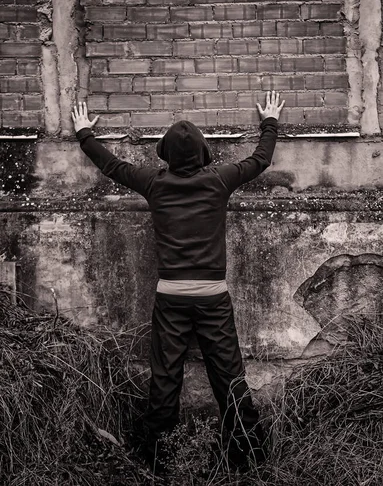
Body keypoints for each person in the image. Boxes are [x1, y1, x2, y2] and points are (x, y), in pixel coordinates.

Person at [72, 90, 284, 470]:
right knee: (229, 378)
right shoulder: (220, 179)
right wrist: (269, 122)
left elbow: (112, 166)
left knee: (165, 379)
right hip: (213, 297)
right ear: (203, 152)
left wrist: (85, 132)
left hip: (171, 296)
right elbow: (260, 160)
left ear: (165, 154)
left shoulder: (154, 183)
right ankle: (249, 458)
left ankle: (156, 461)